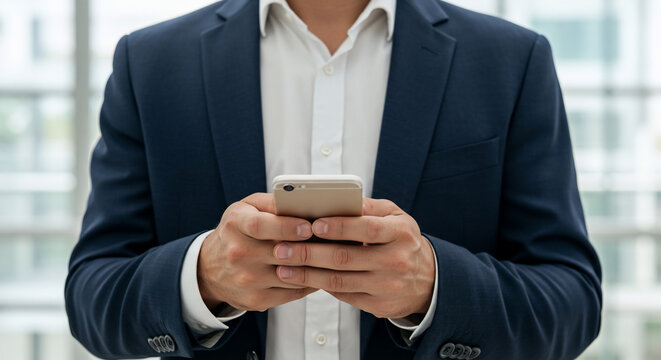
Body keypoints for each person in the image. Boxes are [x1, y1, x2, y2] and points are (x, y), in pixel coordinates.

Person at [64, 0, 603, 359]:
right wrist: (202, 280)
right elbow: (92, 296)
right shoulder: (152, 62)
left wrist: (434, 286)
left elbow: (572, 300)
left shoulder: (510, 60)